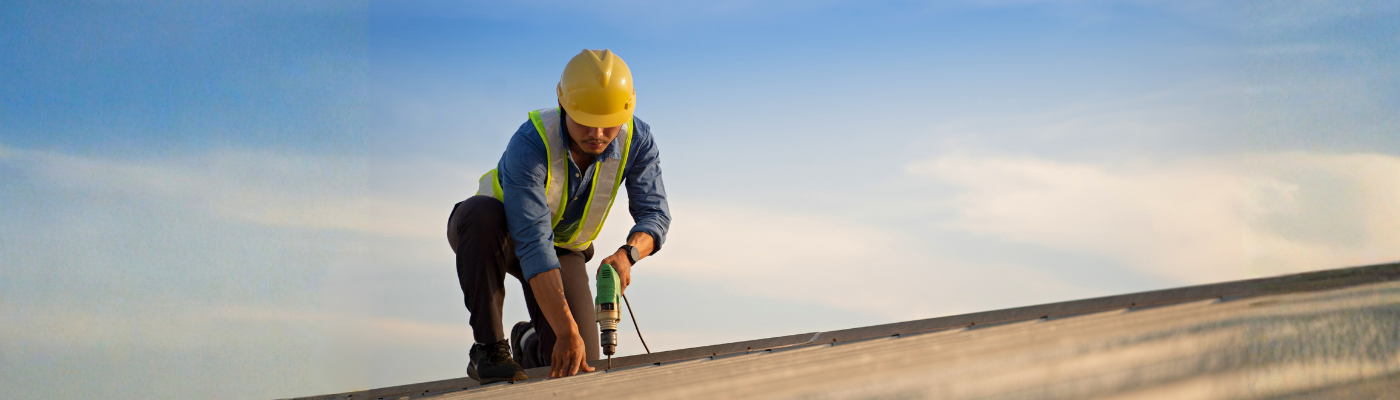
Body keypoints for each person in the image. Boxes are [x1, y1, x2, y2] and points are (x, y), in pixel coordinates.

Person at [446, 49, 670, 383]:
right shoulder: (530, 142)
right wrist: (566, 329)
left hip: (563, 248)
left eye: (608, 124)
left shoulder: (638, 141)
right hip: (498, 235)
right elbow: (534, 245)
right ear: (563, 105)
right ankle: (489, 349)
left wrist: (627, 256)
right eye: (586, 121)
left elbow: (655, 214)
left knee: (580, 362)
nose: (596, 134)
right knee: (481, 215)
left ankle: (528, 343)